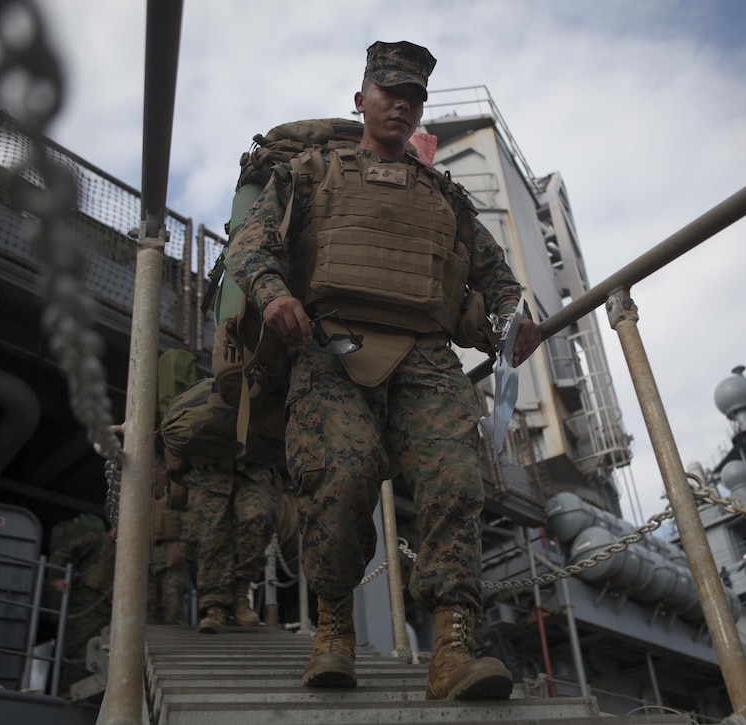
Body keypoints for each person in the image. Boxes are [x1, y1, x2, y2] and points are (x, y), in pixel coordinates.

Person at [225, 40, 541, 700]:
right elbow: (250, 245)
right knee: (342, 475)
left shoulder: (445, 197)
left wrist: (514, 320)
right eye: (389, 91)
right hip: (330, 348)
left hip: (426, 355)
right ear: (360, 99)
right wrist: (274, 294)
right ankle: (334, 629)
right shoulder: (310, 174)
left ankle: (452, 651)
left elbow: (497, 280)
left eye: (413, 97)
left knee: (456, 480)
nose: (401, 103)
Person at [162, 378, 281, 635]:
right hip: (209, 473)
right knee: (211, 539)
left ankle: (240, 593)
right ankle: (214, 608)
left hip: (253, 470)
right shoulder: (203, 392)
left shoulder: (261, 386)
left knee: (259, 518)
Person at [48, 515, 115, 695]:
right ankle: (67, 693)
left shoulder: (126, 552)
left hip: (109, 608)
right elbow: (65, 551)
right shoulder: (96, 539)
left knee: (101, 653)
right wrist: (56, 576)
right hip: (86, 602)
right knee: (78, 650)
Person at [147, 459, 192, 625]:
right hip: (148, 556)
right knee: (147, 604)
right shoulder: (141, 498)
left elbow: (189, 525)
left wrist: (182, 548)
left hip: (172, 554)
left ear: (162, 471)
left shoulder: (177, 495)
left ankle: (178, 641)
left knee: (173, 600)